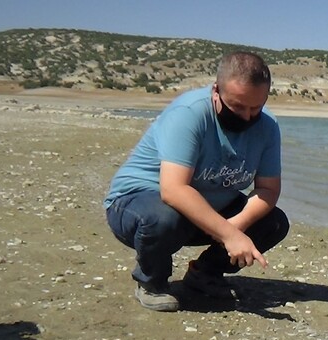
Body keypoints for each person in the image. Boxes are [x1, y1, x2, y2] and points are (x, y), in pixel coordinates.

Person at [104, 51, 289, 312]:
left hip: (206, 209)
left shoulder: (268, 126)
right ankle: (151, 281)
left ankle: (204, 274)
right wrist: (228, 234)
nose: (247, 117)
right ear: (216, 90)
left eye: (256, 108)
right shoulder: (189, 113)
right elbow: (173, 190)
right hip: (140, 202)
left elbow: (268, 189)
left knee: (274, 222)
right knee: (163, 218)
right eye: (237, 107)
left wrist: (235, 226)